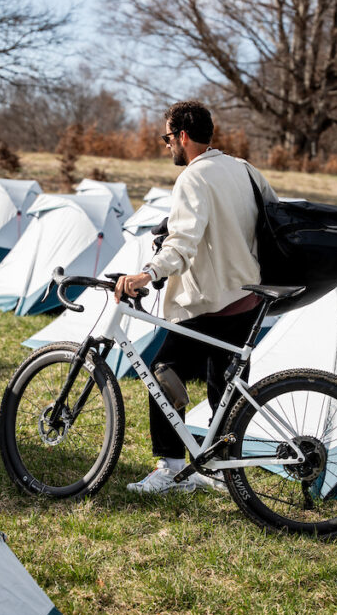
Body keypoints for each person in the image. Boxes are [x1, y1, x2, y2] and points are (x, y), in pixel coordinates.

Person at [114, 100, 277, 494]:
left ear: (183, 136)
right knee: (223, 389)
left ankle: (170, 468)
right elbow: (273, 218)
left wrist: (146, 274)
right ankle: (219, 471)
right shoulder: (246, 170)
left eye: (167, 137)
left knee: (162, 374)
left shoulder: (193, 177)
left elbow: (182, 243)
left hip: (209, 303)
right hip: (249, 299)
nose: (166, 145)